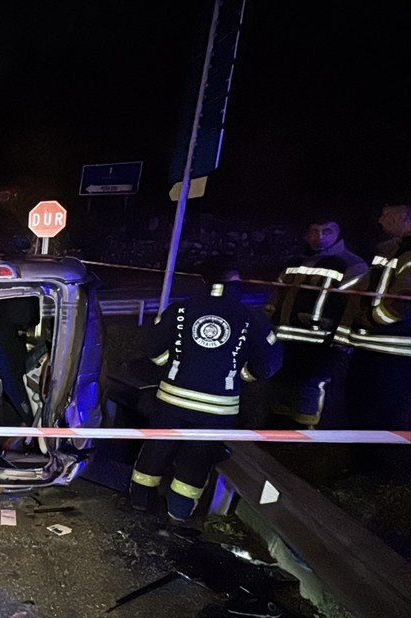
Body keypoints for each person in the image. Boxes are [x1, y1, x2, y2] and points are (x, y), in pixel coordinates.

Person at [129, 255, 284, 524]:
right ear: (239, 282)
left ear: (204, 280)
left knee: (155, 451)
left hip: (170, 400)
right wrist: (236, 375)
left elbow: (152, 350)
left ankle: (138, 505)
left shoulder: (180, 310)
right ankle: (177, 515)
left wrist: (177, 366)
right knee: (195, 461)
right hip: (217, 410)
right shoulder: (252, 319)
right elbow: (267, 366)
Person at [264, 220, 367, 428]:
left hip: (323, 342)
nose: (319, 236)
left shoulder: (352, 265)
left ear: (338, 235)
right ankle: (277, 427)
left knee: (311, 385)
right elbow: (277, 295)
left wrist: (342, 337)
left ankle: (306, 431)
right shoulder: (294, 262)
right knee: (281, 381)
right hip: (286, 337)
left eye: (326, 231)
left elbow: (353, 305)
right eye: (314, 231)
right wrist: (270, 320)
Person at [335, 202, 411, 432]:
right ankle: (362, 463)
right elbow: (365, 287)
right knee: (361, 411)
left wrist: (369, 320)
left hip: (393, 351)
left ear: (404, 216)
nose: (380, 220)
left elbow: (402, 302)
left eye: (386, 215)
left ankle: (378, 465)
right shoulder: (390, 250)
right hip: (370, 347)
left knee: (383, 416)